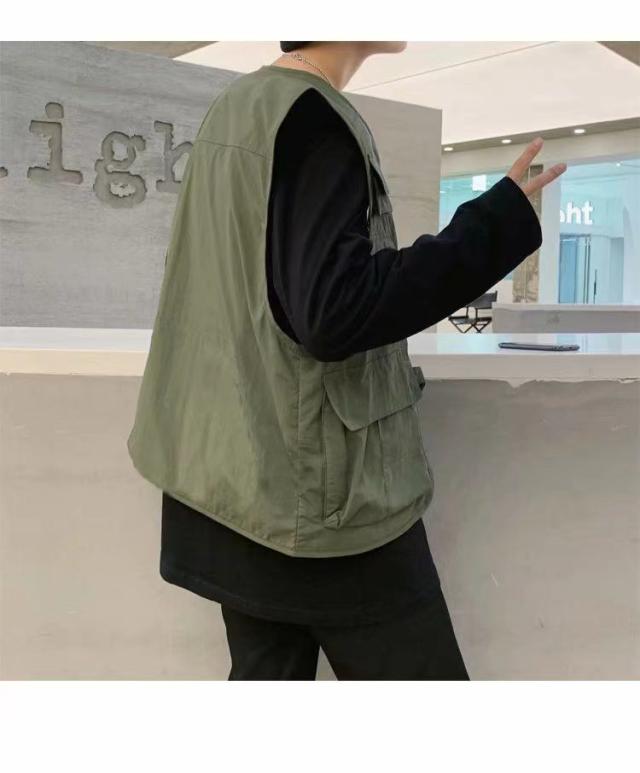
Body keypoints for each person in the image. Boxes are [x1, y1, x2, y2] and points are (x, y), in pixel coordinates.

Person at [127, 41, 567, 680]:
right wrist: (491, 227)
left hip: (234, 484)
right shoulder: (315, 120)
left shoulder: (237, 108)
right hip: (324, 506)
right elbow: (334, 313)